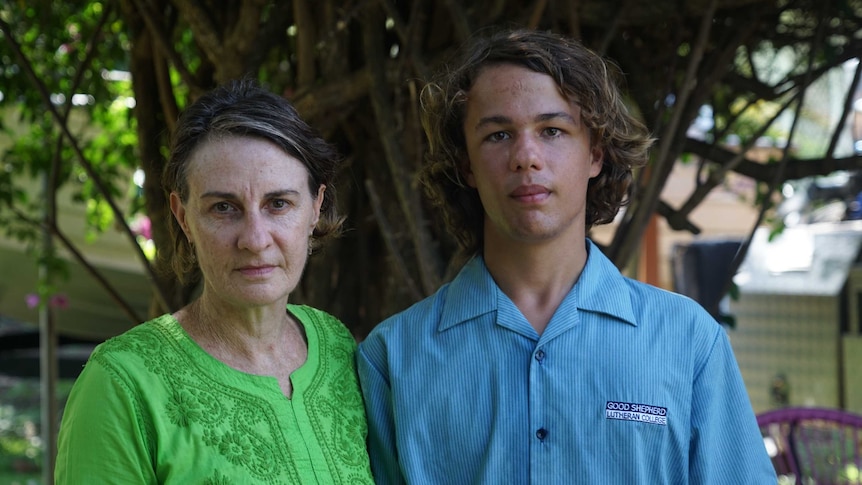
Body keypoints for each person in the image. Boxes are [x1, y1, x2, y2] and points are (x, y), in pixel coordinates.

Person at [356, 28, 776, 484]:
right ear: (466, 166)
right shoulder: (392, 357)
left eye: (552, 130)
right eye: (498, 135)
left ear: (595, 152)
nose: (526, 157)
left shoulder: (689, 342)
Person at [56, 79, 374, 484]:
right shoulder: (123, 384)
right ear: (183, 216)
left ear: (315, 208)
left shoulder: (338, 349)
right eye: (224, 208)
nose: (255, 239)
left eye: (278, 204)